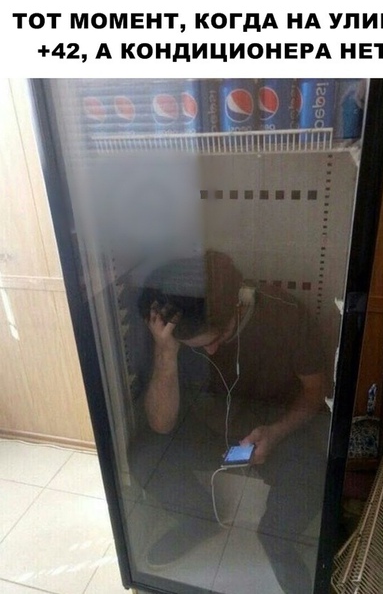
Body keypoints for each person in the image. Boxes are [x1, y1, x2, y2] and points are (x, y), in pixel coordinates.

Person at [130, 250, 329, 594]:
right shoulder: (169, 327)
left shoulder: (284, 313)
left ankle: (276, 541)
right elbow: (161, 425)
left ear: (239, 306)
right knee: (144, 454)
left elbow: (317, 389)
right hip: (207, 426)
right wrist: (166, 351)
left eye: (216, 339)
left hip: (271, 429)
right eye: (199, 345)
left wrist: (276, 432)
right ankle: (198, 520)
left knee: (311, 473)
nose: (210, 351)